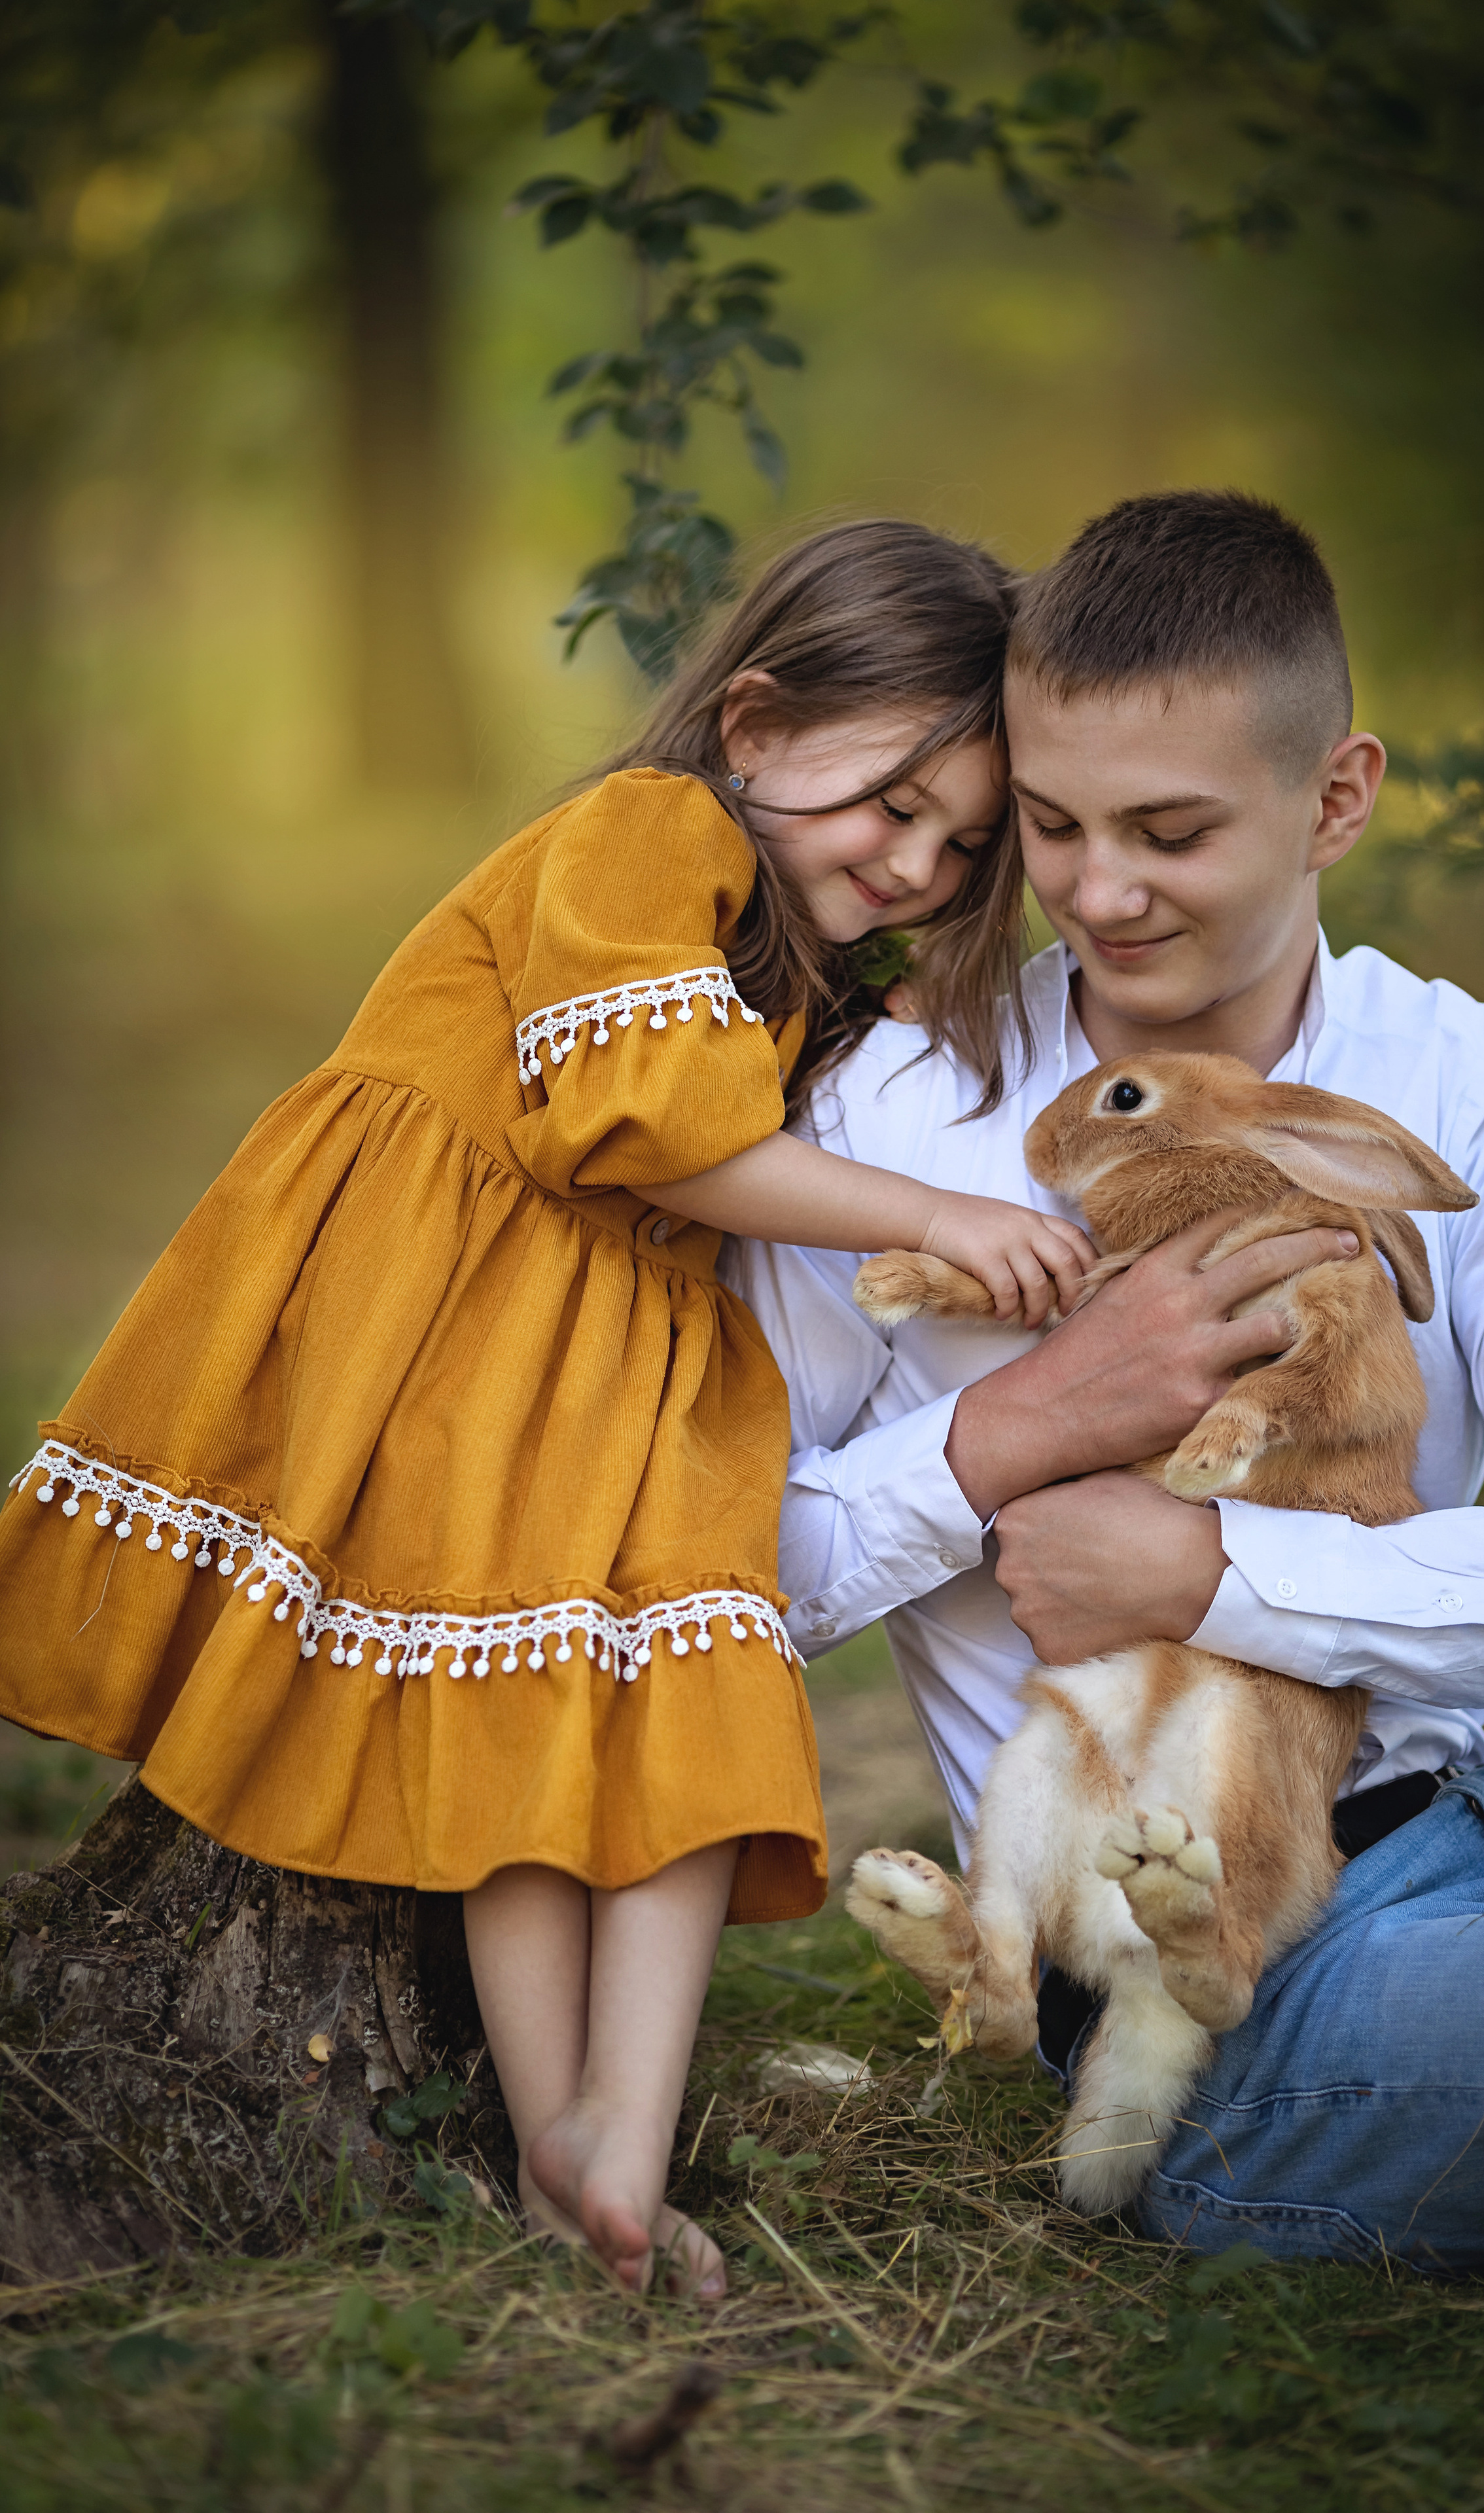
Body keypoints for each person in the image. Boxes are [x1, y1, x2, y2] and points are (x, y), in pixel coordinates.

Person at [0, 520, 1100, 2300]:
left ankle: (605, 2140)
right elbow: (643, 1129)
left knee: (677, 1690)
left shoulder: (786, 947)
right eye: (894, 804)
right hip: (454, 1320)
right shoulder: (649, 830)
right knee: (517, 1717)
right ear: (755, 724)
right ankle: (555, 2129)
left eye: (964, 844)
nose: (915, 864)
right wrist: (935, 1217)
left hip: (614, 1353)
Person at [724, 490, 1484, 2271]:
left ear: (1336, 800)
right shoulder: (890, 1124)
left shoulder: (1475, 1077)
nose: (1098, 894)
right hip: (1237, 1986)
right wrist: (1016, 1431)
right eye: (1056, 825)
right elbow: (706, 1583)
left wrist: (1224, 1574)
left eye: (1171, 832)